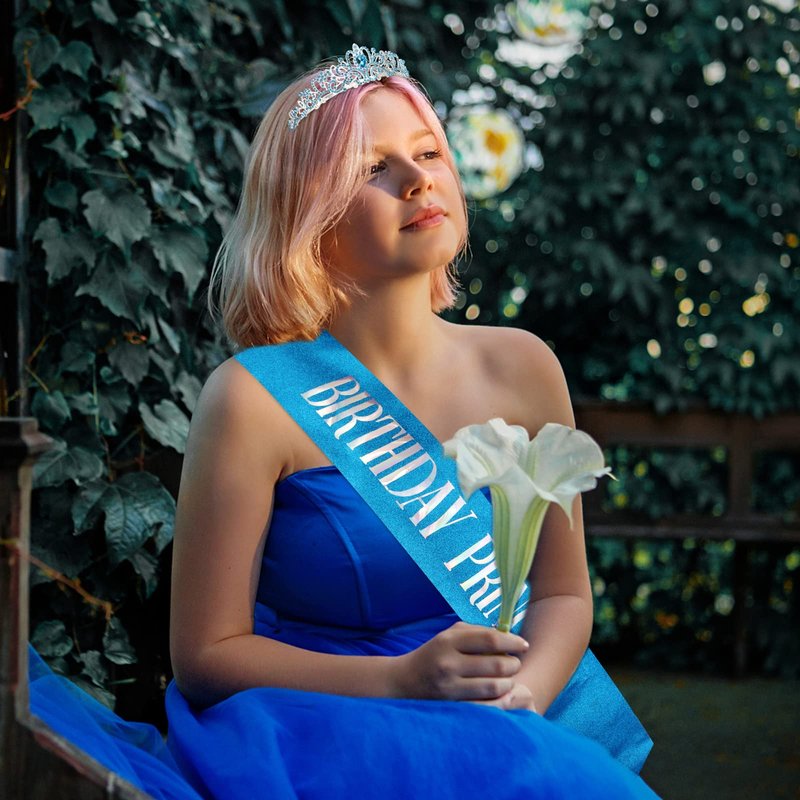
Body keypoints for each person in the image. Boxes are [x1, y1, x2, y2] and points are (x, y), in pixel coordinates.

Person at [162, 43, 659, 799]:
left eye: (428, 152)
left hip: (498, 718)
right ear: (308, 218)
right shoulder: (251, 399)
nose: (419, 178)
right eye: (371, 168)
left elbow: (562, 595)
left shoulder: (525, 367)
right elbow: (205, 654)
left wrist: (519, 703)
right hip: (317, 729)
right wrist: (401, 680)